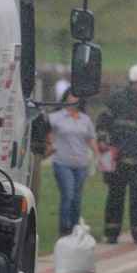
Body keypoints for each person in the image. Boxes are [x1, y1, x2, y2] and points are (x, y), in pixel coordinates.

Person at [97, 63, 137, 244]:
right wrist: (102, 140)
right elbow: (103, 121)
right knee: (115, 197)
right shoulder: (116, 99)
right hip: (117, 158)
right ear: (131, 82)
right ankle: (111, 233)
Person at [47, 86, 98, 236]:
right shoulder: (56, 117)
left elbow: (90, 138)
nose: (73, 99)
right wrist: (49, 144)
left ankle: (75, 227)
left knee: (77, 198)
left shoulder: (85, 119)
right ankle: (64, 228)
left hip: (81, 164)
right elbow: (47, 132)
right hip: (62, 162)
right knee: (68, 194)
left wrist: (97, 155)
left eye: (76, 97)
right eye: (71, 96)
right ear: (66, 98)